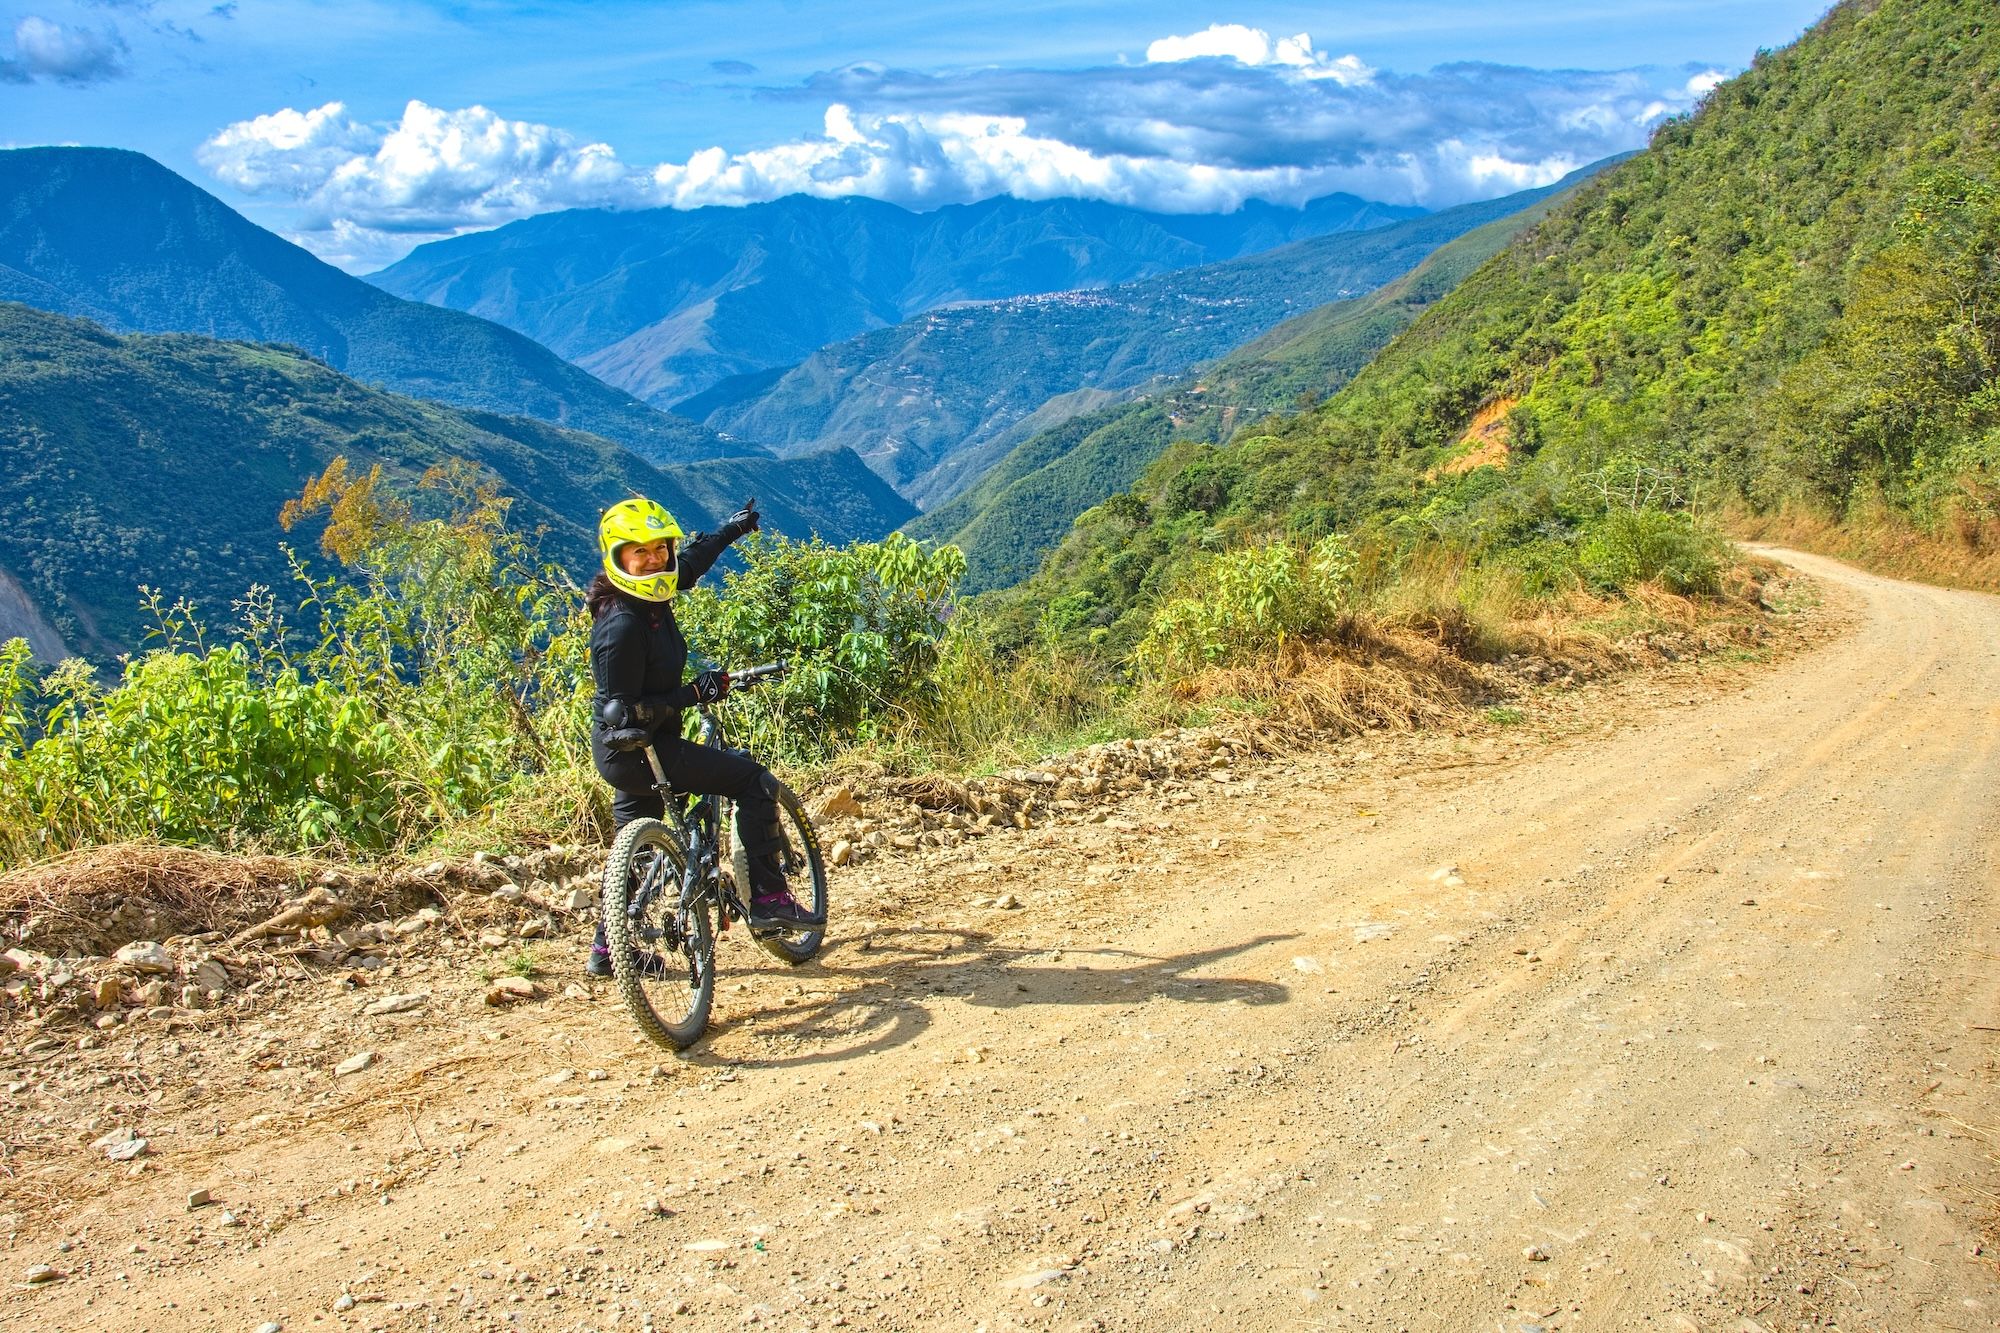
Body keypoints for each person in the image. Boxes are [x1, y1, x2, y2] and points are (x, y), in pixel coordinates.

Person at [585, 494, 822, 978]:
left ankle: (609, 949)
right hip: (638, 749)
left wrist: (731, 531)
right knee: (752, 782)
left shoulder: (649, 594)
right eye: (639, 552)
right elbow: (626, 710)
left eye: (660, 550)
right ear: (617, 557)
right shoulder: (623, 625)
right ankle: (770, 899)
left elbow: (689, 564)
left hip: (630, 756)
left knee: (636, 845)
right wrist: (697, 692)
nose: (654, 560)